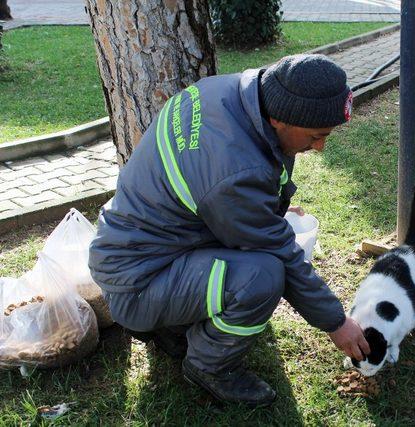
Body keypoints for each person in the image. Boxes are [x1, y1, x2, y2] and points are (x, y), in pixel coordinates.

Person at [88, 54, 370, 407]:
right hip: (139, 283)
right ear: (280, 118)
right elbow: (278, 248)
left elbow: (223, 188)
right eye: (316, 136)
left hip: (132, 253)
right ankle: (208, 366)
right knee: (263, 276)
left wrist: (264, 208)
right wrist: (336, 322)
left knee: (253, 261)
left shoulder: (229, 92)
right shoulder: (234, 172)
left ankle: (171, 329)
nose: (320, 146)